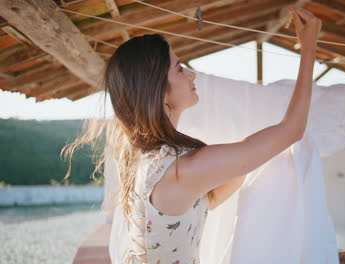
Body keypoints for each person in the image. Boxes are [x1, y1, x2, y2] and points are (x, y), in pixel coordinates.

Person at [62, 7, 321, 264]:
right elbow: (293, 129)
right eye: (180, 69)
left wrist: (245, 158)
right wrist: (308, 48)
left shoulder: (142, 155)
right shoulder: (181, 169)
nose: (192, 74)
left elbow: (210, 199)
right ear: (159, 90)